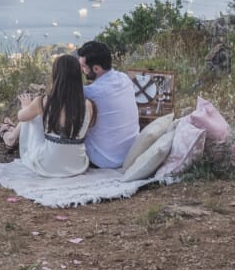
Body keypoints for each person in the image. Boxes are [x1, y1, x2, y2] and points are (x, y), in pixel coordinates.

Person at [13, 54, 95, 177]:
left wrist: (26, 105)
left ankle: (10, 137)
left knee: (34, 117)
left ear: (56, 75)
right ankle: (10, 137)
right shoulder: (88, 105)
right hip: (78, 165)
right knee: (41, 116)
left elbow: (21, 117)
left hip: (48, 166)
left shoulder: (43, 101)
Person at [77, 40, 140, 169]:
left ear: (96, 68)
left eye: (84, 67)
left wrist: (75, 73)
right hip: (129, 152)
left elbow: (66, 91)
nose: (83, 71)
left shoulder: (91, 92)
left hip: (104, 159)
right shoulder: (124, 79)